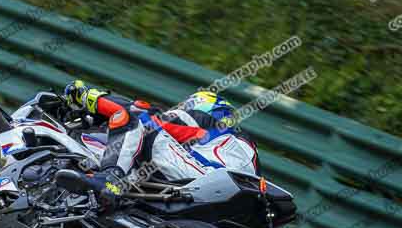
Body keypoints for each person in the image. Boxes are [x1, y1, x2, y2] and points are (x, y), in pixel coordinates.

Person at [55, 80, 260, 209]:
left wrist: (91, 97)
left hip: (204, 176)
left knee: (138, 120)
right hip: (218, 193)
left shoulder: (212, 123)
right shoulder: (234, 145)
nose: (182, 109)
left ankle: (108, 178)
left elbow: (147, 116)